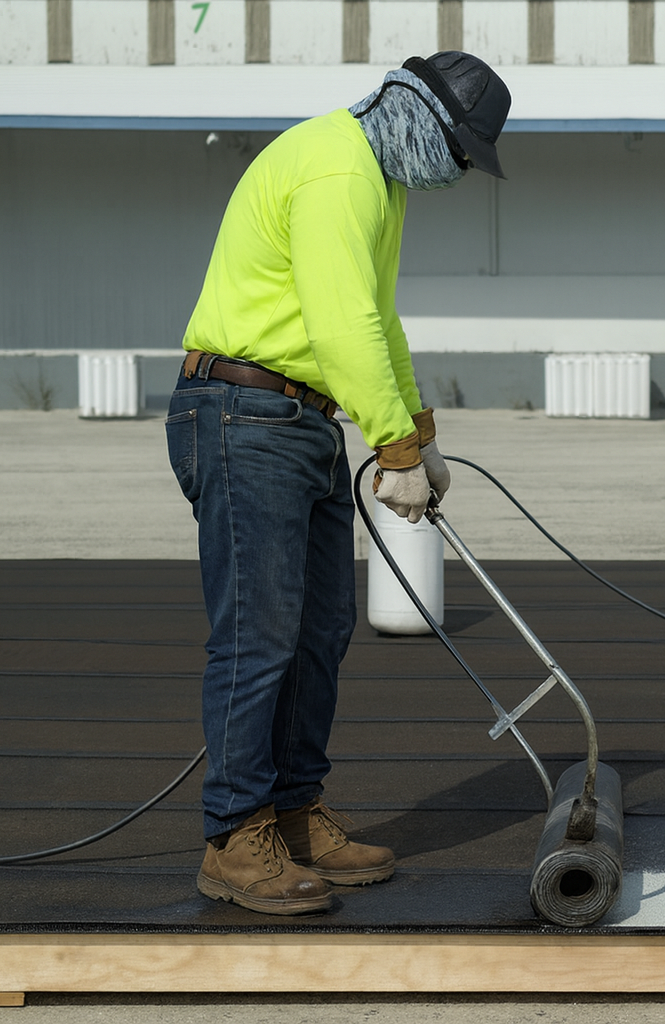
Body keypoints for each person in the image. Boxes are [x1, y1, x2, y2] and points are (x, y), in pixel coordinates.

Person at [165, 53, 511, 915]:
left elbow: (378, 318)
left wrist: (419, 434)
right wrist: (392, 448)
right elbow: (340, 319)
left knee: (320, 628)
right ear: (420, 118)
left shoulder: (376, 184)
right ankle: (235, 835)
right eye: (461, 149)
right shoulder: (337, 168)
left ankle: (292, 814)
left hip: (297, 420)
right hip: (243, 415)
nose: (461, 168)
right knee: (259, 634)